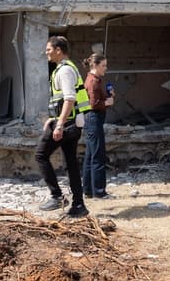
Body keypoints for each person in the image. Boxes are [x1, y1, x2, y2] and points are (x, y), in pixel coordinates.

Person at [36, 36, 91, 218]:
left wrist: (58, 124)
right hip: (71, 123)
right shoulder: (65, 68)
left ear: (58, 50)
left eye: (49, 49)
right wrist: (52, 119)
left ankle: (57, 196)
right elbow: (62, 101)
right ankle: (78, 205)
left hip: (67, 124)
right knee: (71, 163)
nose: (46, 53)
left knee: (40, 155)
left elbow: (69, 99)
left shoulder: (64, 71)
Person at [81, 52, 113, 199]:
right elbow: (94, 104)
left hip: (91, 119)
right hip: (94, 119)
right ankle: (99, 192)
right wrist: (107, 102)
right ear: (95, 65)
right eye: (103, 65)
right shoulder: (93, 81)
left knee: (90, 155)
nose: (105, 68)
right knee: (98, 156)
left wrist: (109, 95)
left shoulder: (93, 79)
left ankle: (88, 190)